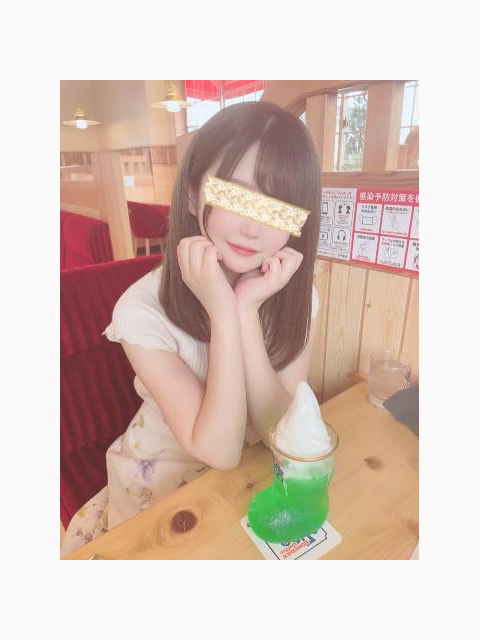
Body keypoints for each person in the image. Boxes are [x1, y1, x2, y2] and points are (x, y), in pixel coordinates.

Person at [61, 101, 321, 556]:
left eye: (277, 208)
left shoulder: (298, 296)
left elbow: (279, 433)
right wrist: (222, 312)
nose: (253, 228)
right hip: (159, 485)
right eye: (236, 196)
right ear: (191, 194)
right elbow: (219, 449)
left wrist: (245, 312)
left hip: (253, 475)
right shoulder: (140, 310)